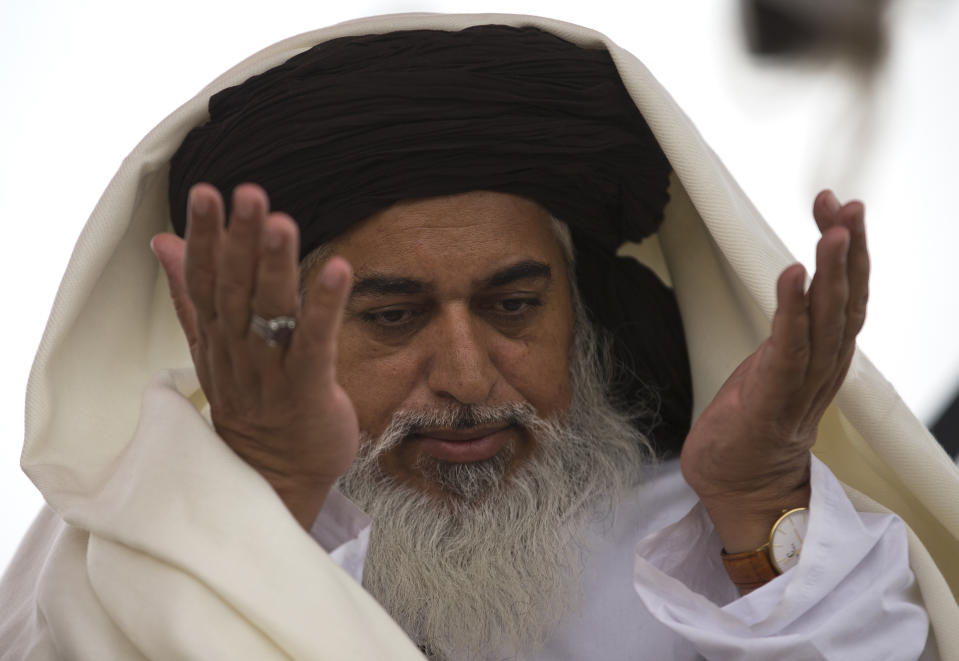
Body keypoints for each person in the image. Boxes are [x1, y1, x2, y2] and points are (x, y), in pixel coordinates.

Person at [1, 13, 956, 661]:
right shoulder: (114, 563)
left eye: (511, 307)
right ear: (278, 333)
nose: (465, 377)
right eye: (391, 316)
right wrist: (269, 495)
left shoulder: (703, 538)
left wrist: (757, 504)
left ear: (577, 312)